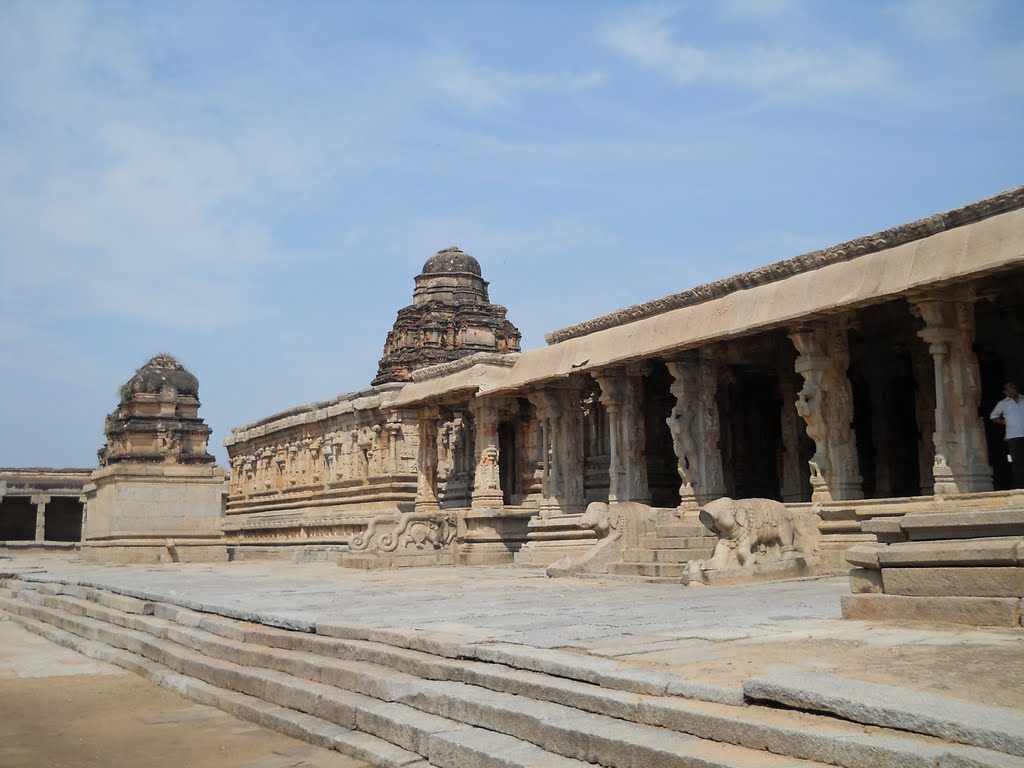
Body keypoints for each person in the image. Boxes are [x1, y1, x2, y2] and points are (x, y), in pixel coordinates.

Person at [990, 381, 1024, 489]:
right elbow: (993, 416)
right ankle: (1020, 484)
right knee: (1017, 460)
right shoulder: (1003, 403)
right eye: (1009, 388)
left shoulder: (1023, 399)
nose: (1012, 390)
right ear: (1005, 392)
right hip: (1013, 435)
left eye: (1013, 387)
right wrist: (1005, 422)